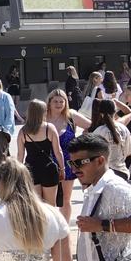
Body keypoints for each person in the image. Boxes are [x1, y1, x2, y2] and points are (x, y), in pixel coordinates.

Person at [46, 88, 88, 219]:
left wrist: (81, 140)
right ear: (49, 102)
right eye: (55, 101)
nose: (58, 104)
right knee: (48, 201)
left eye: (61, 101)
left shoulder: (71, 116)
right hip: (48, 162)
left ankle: (64, 227)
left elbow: (91, 125)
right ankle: (51, 227)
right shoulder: (43, 116)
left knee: (66, 198)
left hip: (68, 163)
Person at [16, 100, 65, 207]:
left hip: (31, 170)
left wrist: (18, 173)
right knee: (51, 205)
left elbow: (20, 155)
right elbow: (58, 151)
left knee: (36, 206)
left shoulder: (23, 131)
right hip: (48, 168)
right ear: (42, 112)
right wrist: (62, 169)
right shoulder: (49, 128)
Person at [88, 99, 131, 180]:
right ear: (115, 111)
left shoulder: (99, 131)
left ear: (101, 113)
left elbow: (91, 153)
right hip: (122, 172)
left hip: (105, 173)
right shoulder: (124, 128)